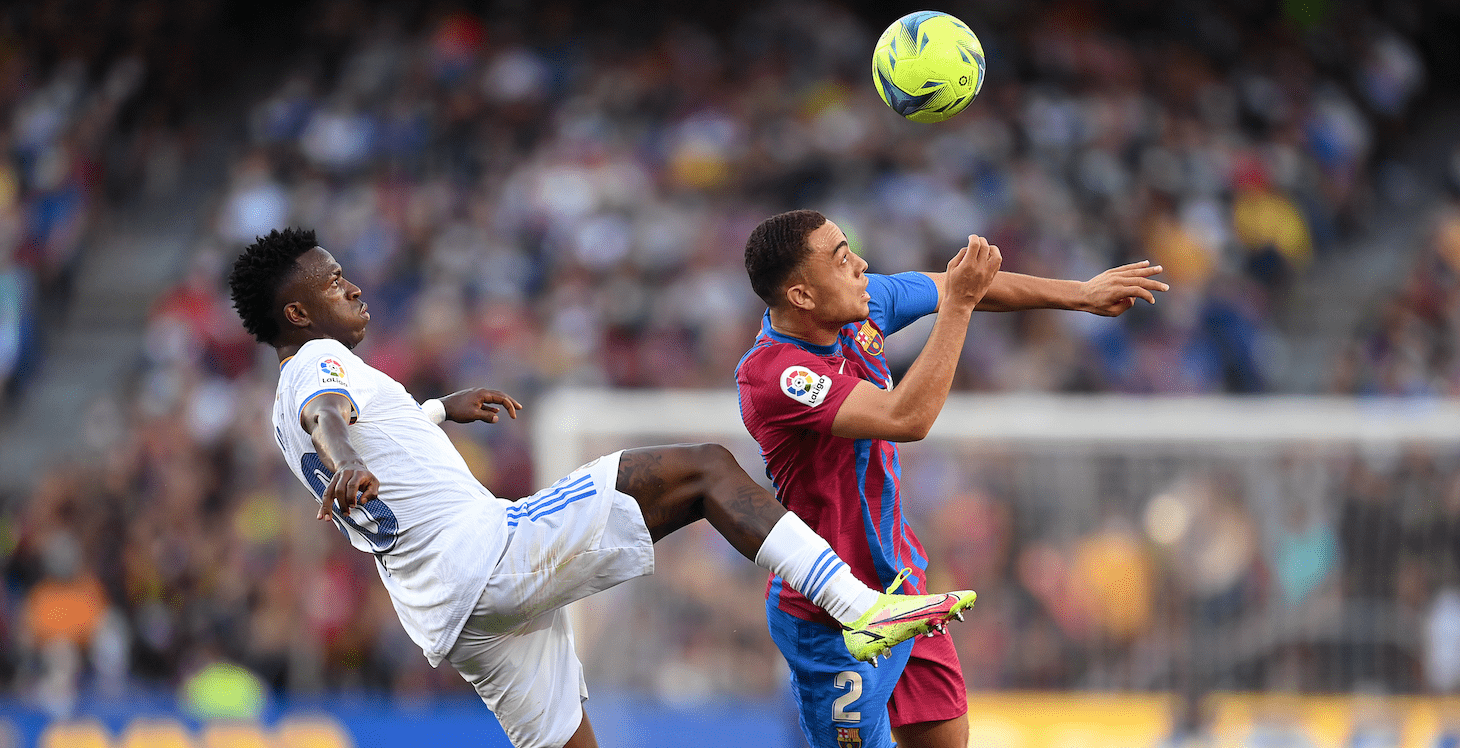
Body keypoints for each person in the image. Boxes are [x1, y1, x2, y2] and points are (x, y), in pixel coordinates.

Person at [226, 227, 977, 748]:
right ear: (298, 314)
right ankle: (859, 607)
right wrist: (346, 455)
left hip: (448, 617)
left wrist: (431, 411)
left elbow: (343, 425)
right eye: (333, 282)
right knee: (705, 468)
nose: (352, 286)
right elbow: (329, 415)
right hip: (486, 556)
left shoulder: (281, 406)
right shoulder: (317, 366)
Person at [735, 210, 1168, 748]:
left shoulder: (859, 307)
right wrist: (959, 306)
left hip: (902, 587)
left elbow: (962, 286)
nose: (861, 265)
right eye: (842, 258)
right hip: (831, 614)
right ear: (801, 296)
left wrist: (1080, 294)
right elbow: (905, 418)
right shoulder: (776, 375)